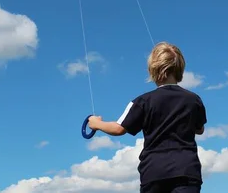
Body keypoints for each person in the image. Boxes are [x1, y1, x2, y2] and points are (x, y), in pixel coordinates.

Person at [87, 41, 207, 193]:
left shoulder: (143, 101)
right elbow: (200, 129)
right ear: (180, 68)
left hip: (154, 173)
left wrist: (96, 123)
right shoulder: (194, 99)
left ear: (153, 68)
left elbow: (118, 128)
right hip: (187, 170)